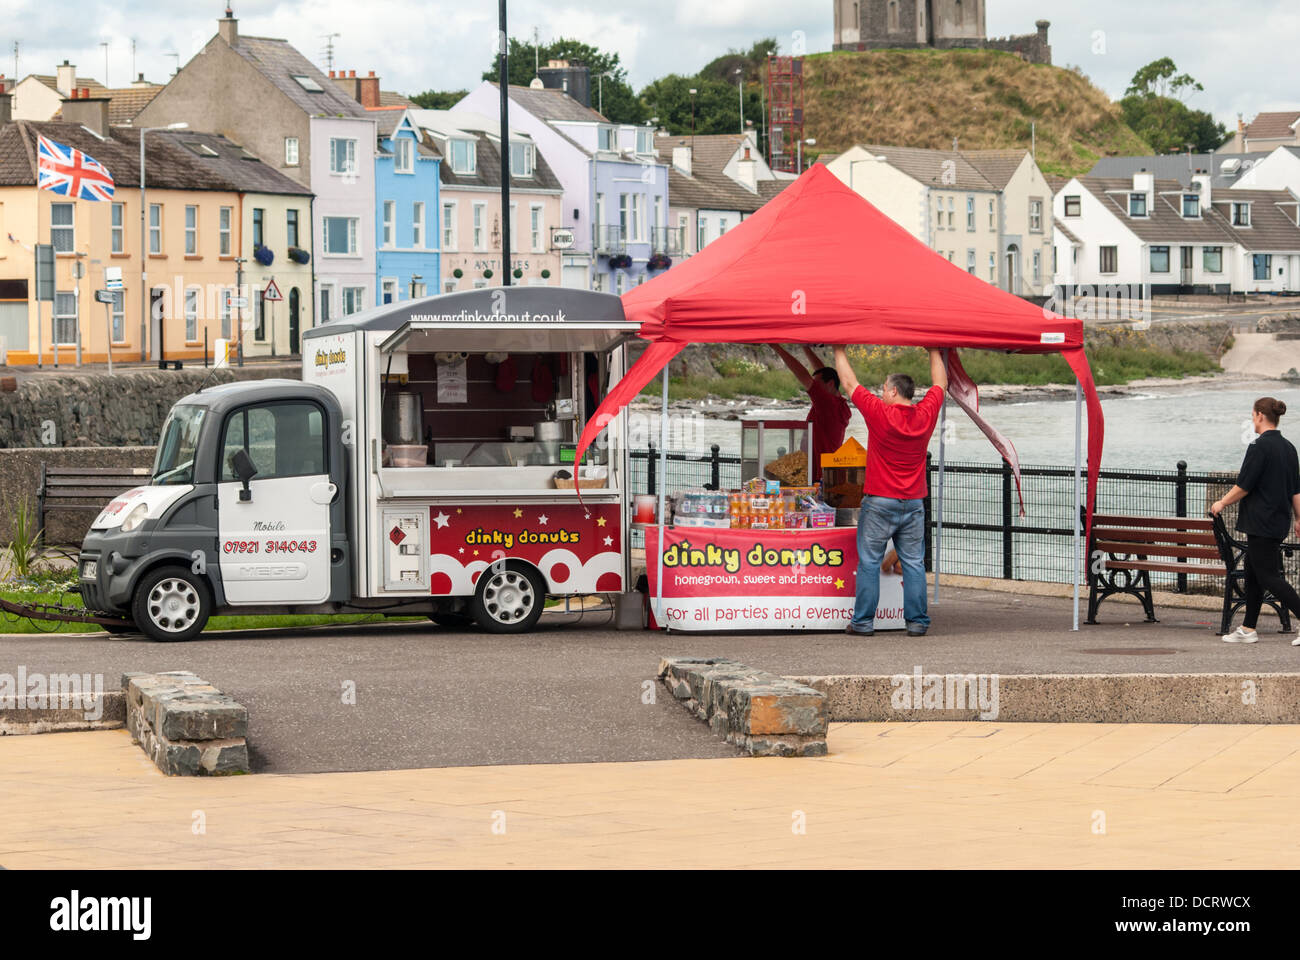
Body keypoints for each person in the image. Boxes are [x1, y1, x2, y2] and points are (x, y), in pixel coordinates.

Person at [833, 345, 947, 637]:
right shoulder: (925, 415)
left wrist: (838, 347)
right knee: (913, 563)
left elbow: (848, 383)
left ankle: (863, 622)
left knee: (870, 562)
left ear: (894, 391)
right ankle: (918, 622)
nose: (881, 392)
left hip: (879, 501)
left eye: (884, 388)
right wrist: (934, 348)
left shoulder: (880, 413)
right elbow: (941, 384)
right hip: (913, 503)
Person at [1211, 397, 1300, 645]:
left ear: (1260, 415)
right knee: (1253, 572)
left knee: (1270, 576)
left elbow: (1244, 485)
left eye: (1253, 415)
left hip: (1261, 521)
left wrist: (1222, 503)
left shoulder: (1258, 447)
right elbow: (1296, 489)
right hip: (1278, 520)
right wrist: (1299, 518)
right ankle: (1248, 629)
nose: (1252, 419)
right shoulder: (1290, 448)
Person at [769, 345, 851, 483]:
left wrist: (776, 347)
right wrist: (805, 348)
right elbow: (824, 372)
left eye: (817, 384)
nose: (815, 387)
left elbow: (803, 375)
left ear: (830, 384)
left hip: (816, 476)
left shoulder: (827, 404)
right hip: (822, 473)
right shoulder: (839, 403)